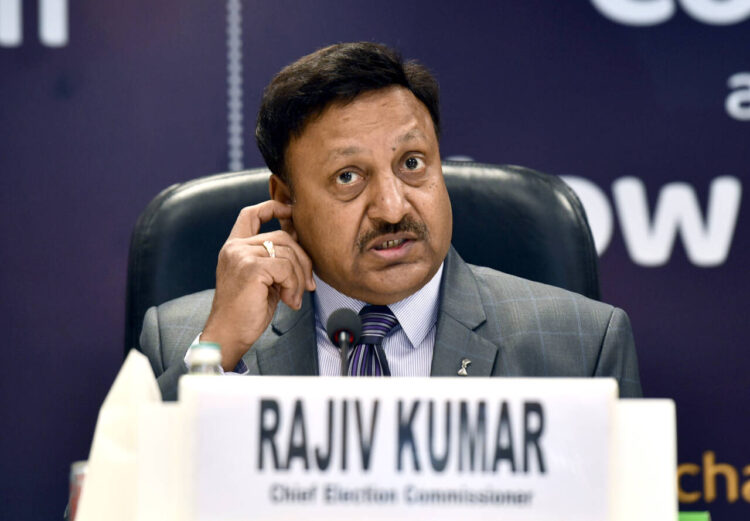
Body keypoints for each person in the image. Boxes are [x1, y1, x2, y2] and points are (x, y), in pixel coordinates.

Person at [140, 42, 641, 401]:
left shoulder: (582, 346)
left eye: (412, 164)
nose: (394, 208)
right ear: (285, 199)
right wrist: (216, 355)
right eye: (348, 176)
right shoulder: (187, 339)